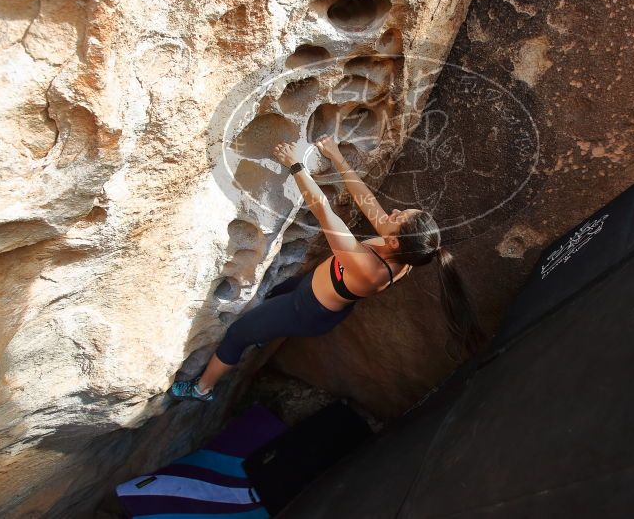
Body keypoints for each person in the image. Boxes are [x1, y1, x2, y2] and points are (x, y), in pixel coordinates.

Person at [170, 135, 486, 401]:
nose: (394, 210)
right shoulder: (407, 252)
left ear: (393, 243)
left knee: (239, 333)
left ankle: (201, 388)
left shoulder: (367, 267)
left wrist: (294, 164)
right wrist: (336, 156)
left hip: (305, 310)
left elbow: (323, 210)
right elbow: (367, 201)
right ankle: (266, 328)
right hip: (315, 290)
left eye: (399, 217)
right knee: (275, 293)